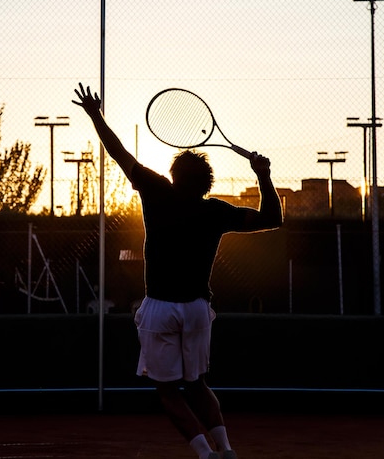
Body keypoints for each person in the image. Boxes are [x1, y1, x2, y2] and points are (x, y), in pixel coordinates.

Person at [73, 83, 283, 459]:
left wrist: (94, 115)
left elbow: (118, 152)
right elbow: (273, 218)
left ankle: (205, 455)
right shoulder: (216, 210)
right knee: (198, 384)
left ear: (173, 176)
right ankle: (227, 451)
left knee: (168, 391)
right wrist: (263, 175)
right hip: (198, 309)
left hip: (160, 308)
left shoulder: (157, 192)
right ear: (207, 183)